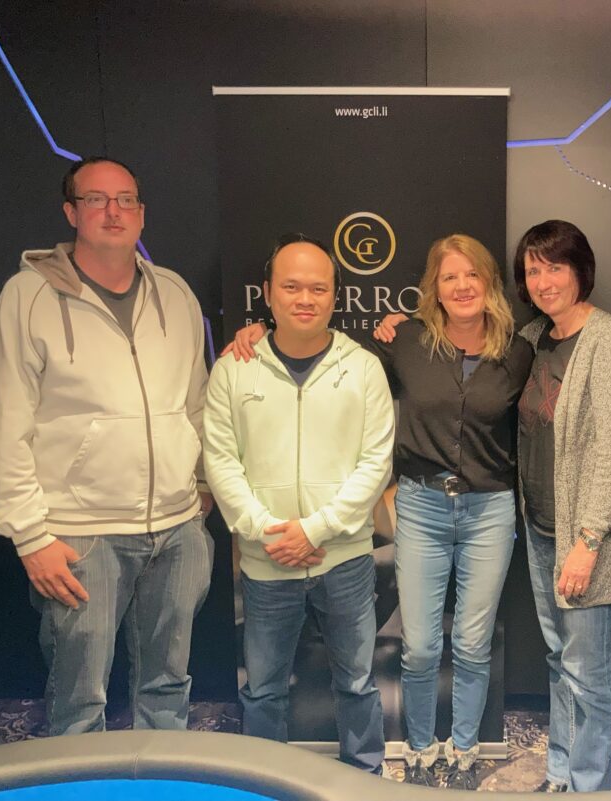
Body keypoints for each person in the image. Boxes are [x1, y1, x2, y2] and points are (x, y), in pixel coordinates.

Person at [228, 234, 532, 789]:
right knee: (420, 645)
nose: (462, 285)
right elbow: (312, 346)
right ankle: (419, 745)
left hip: (490, 509)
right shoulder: (405, 340)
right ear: (433, 287)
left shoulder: (518, 351)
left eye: (472, 275)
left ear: (489, 282)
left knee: (472, 641)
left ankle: (465, 747)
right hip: (421, 505)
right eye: (449, 276)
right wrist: (255, 333)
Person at [0, 156, 213, 735]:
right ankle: (79, 780)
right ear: (71, 212)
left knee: (168, 687)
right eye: (96, 199)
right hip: (80, 535)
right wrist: (31, 536)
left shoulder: (174, 293)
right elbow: (3, 422)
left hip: (177, 527)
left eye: (125, 199)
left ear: (141, 213)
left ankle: (165, 776)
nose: (113, 211)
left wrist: (203, 486)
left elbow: (197, 402)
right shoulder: (28, 297)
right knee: (79, 698)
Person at [204, 234, 393, 770]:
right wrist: (268, 531)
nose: (305, 298)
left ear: (335, 296)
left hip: (345, 560)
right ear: (268, 293)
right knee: (263, 689)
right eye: (291, 287)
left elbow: (375, 463)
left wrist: (315, 530)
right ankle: (267, 780)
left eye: (318, 288)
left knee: (357, 682)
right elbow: (221, 461)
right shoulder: (234, 369)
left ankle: (365, 777)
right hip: (266, 562)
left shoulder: (363, 368)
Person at [511, 220, 611, 792]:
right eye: (532, 270)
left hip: (587, 538)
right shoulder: (533, 336)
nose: (543, 281)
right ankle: (561, 773)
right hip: (542, 529)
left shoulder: (606, 340)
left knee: (587, 671)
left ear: (579, 270)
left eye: (554, 267)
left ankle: (591, 785)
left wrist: (587, 543)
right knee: (559, 658)